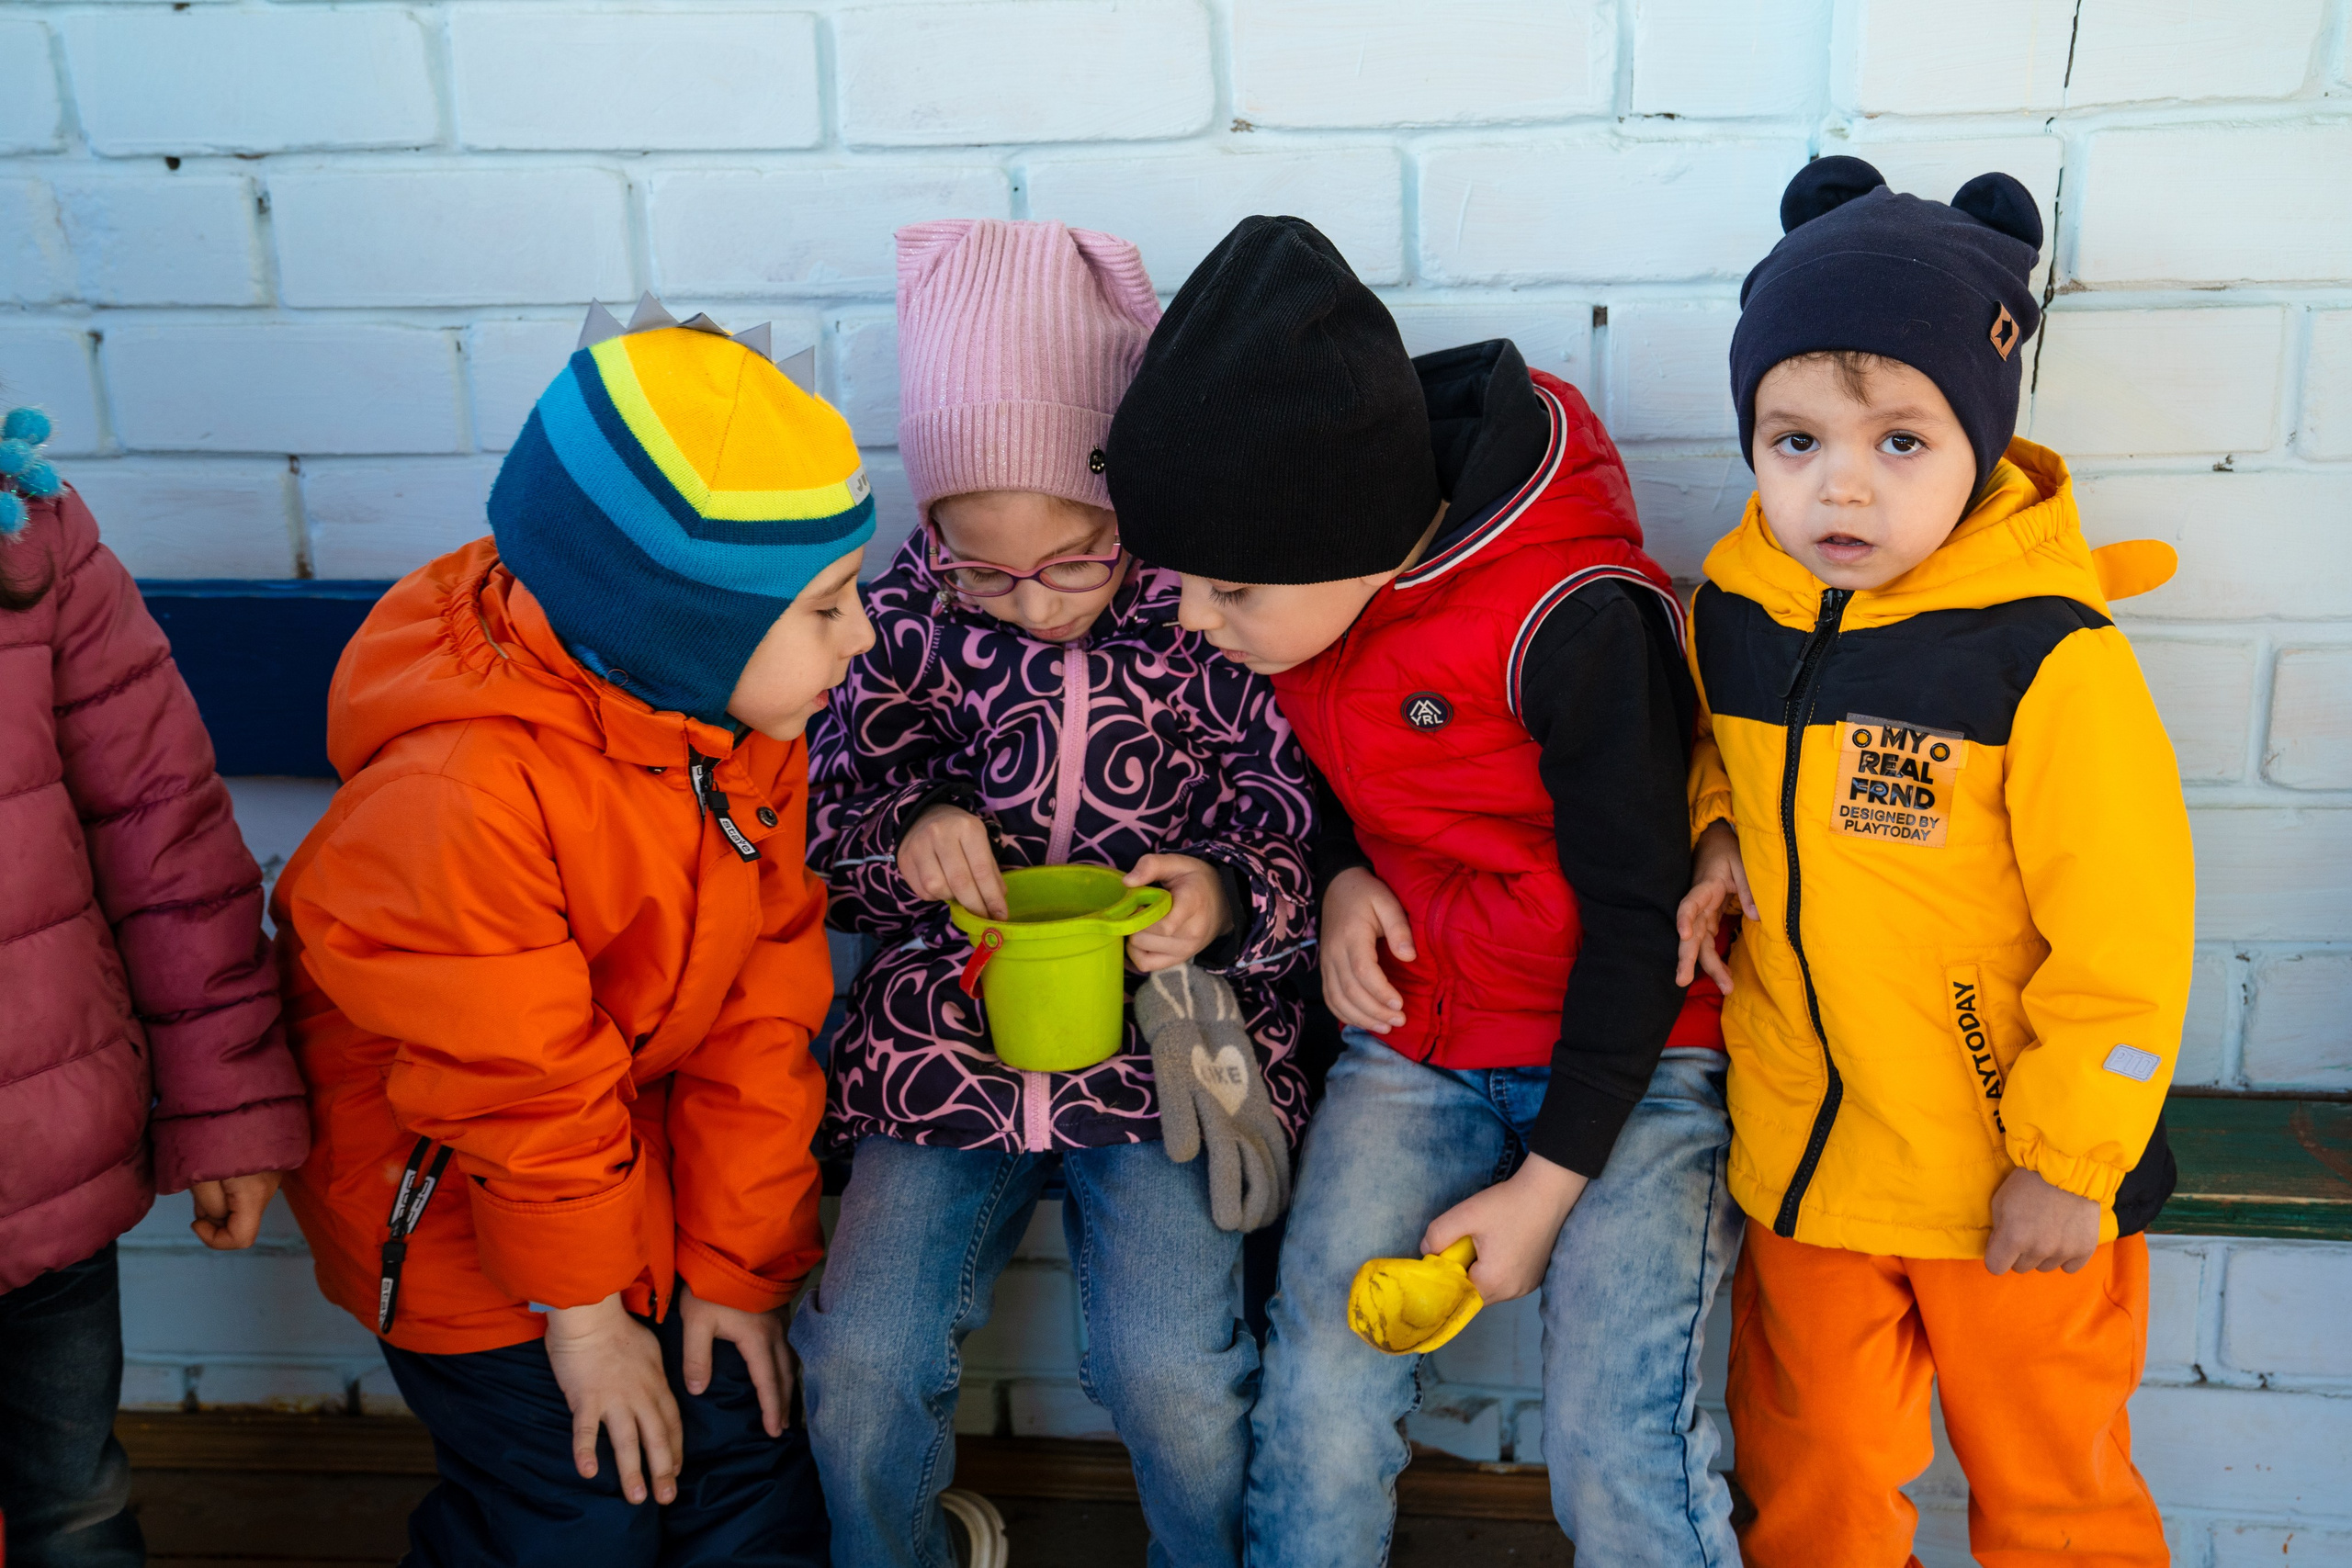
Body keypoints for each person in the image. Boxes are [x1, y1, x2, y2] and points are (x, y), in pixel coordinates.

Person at [1106, 216, 1737, 1567]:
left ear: (1355, 539)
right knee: (1324, 1382)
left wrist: (1547, 1190)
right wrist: (1338, 871)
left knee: (1617, 1429)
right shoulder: (1317, 588)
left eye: (1225, 588)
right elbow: (1334, 757)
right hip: (1421, 1037)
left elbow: (1643, 924)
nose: (1193, 619)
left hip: (1630, 1057)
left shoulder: (1574, 623)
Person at [271, 305, 868, 1568]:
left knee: (746, 1449)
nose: (861, 637)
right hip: (460, 1207)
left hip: (642, 1173)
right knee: (581, 1514)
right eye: (827, 605)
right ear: (678, 624)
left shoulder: (742, 723)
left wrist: (735, 1265)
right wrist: (586, 1318)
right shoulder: (460, 794)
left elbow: (764, 1016)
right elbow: (519, 1085)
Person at [1672, 157, 2191, 1566]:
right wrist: (1716, 829)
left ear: (1980, 439)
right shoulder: (1736, 609)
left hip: (2009, 1180)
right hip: (1811, 1167)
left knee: (2054, 1492)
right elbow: (1726, 755)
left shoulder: (2048, 654)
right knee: (1820, 1487)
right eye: (1795, 440)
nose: (1841, 483)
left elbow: (2128, 931)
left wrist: (2071, 1156)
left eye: (1902, 440)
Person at [794, 219, 1317, 1568]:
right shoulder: (900, 616)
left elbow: (1293, 816)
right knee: (859, 1356)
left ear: (1125, 505)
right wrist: (909, 828)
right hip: (943, 1044)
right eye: (985, 569)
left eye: (1075, 557)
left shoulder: (1211, 616)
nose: (1032, 606)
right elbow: (829, 806)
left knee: (1170, 1370)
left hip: (1167, 1049)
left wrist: (1220, 891)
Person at [0, 404, 310, 1568]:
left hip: (38, 1179)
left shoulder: (30, 531)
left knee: (70, 1513)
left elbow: (163, 839)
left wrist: (227, 1108)